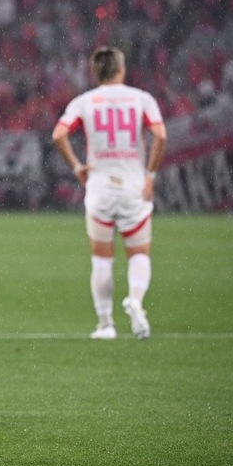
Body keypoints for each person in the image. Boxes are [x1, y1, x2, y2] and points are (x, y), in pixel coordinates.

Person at [52, 47, 168, 340]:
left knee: (102, 260)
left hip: (100, 188)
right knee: (139, 254)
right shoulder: (142, 99)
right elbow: (160, 135)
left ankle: (105, 325)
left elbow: (59, 134)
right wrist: (151, 175)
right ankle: (136, 302)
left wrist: (77, 167)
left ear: (95, 72)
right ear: (122, 69)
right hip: (133, 187)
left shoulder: (84, 102)